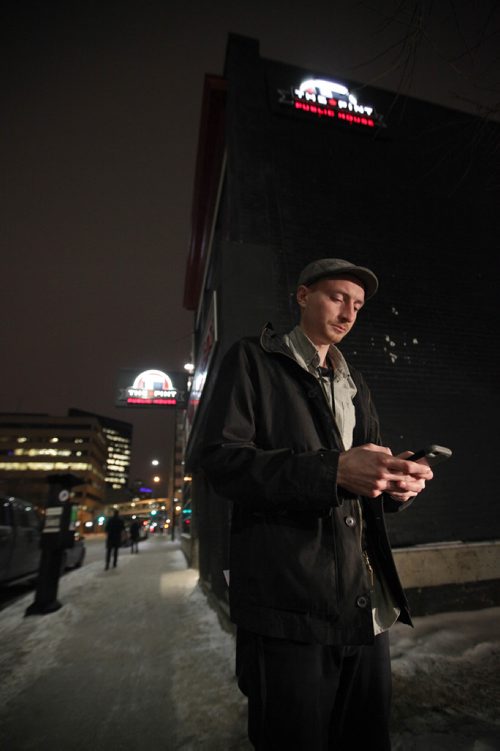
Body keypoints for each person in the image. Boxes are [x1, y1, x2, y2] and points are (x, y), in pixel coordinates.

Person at [199, 258, 435, 750]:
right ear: (303, 296)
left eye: (358, 305)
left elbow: (363, 475)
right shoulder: (253, 360)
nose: (348, 312)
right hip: (290, 604)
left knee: (365, 739)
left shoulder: (355, 382)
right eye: (336, 297)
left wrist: (395, 488)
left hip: (364, 604)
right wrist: (332, 470)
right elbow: (219, 462)